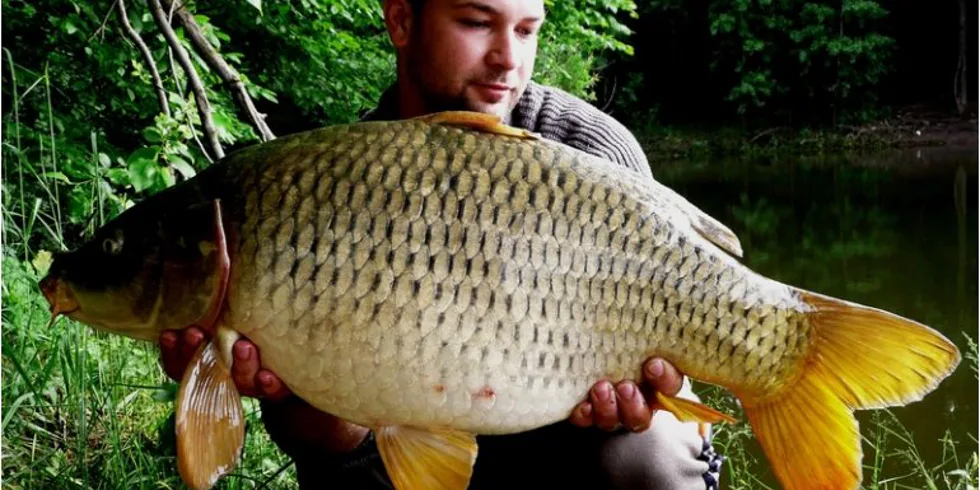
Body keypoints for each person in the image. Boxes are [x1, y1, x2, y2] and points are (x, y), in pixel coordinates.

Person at [159, 0, 725, 488]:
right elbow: (339, 449)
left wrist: (644, 399)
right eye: (478, 23)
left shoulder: (588, 150)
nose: (508, 58)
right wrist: (288, 394)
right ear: (402, 20)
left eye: (527, 30)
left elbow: (668, 367)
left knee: (649, 452)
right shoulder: (331, 181)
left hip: (562, 441)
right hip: (400, 450)